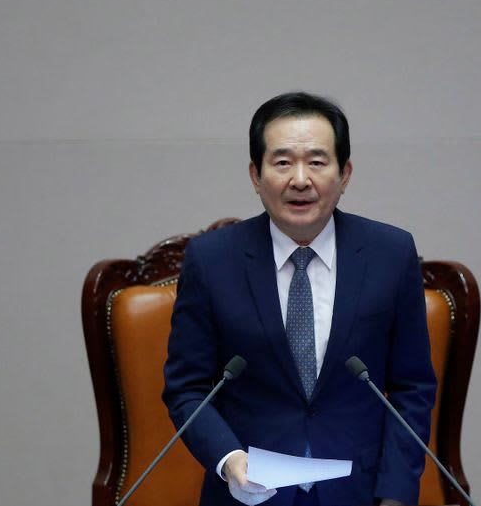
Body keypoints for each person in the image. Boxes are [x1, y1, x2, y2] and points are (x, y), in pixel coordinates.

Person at [163, 92, 436, 506]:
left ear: (345, 173)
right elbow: (187, 388)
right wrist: (229, 459)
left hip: (360, 494)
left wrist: (395, 495)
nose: (301, 179)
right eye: (283, 162)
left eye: (317, 162)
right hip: (249, 494)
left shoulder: (391, 254)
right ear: (256, 175)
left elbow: (411, 388)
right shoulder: (212, 261)